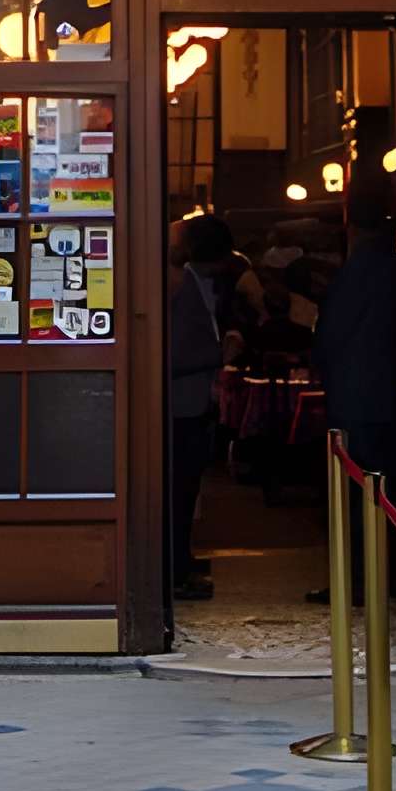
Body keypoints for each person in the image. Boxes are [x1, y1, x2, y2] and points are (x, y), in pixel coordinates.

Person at [308, 192, 396, 600]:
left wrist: (320, 359)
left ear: (351, 226)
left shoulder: (360, 270)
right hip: (383, 394)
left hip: (357, 395)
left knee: (356, 493)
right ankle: (386, 576)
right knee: (382, 490)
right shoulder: (395, 266)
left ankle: (359, 581)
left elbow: (332, 334)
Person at [166, 212, 236, 599]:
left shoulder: (190, 282)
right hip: (182, 404)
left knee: (185, 490)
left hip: (190, 402)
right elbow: (173, 355)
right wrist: (219, 354)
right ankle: (176, 569)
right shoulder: (181, 285)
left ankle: (181, 561)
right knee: (180, 491)